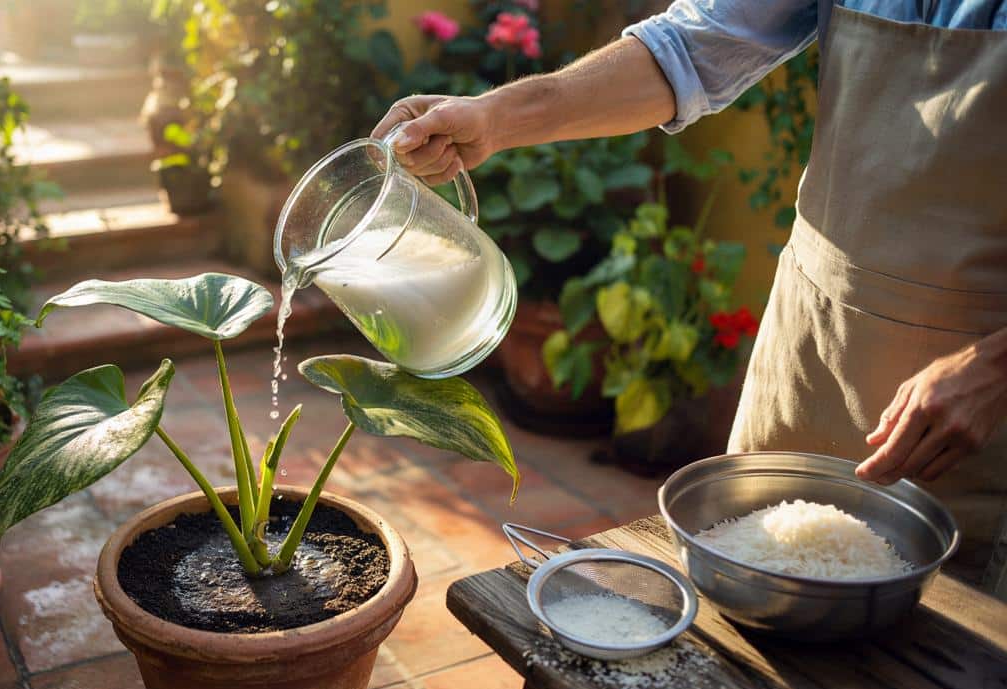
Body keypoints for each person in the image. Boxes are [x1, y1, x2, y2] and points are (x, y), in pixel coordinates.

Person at [374, 1, 1007, 594]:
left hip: (973, 378)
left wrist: (994, 368)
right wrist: (492, 118)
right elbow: (691, 47)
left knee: (944, 644)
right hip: (813, 331)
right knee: (758, 587)